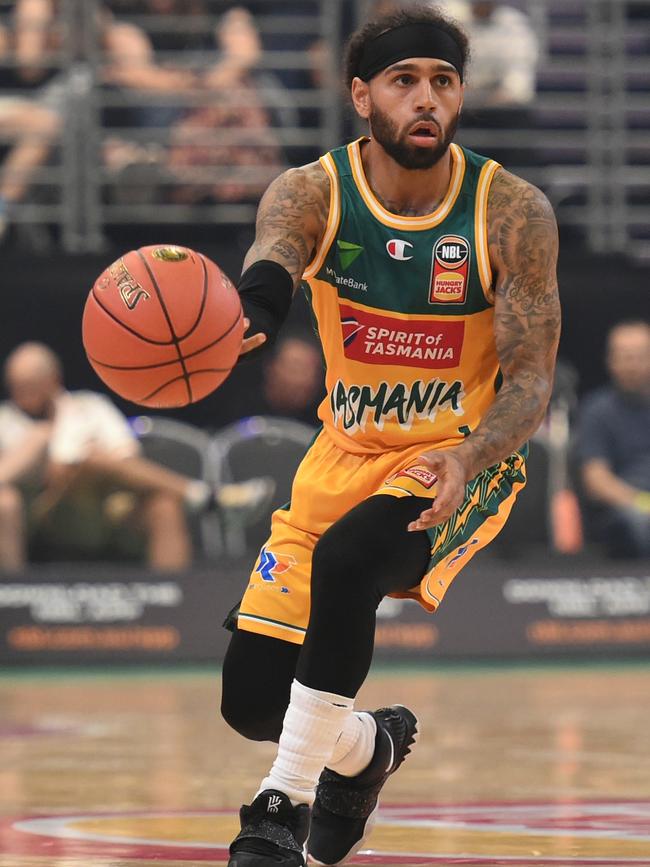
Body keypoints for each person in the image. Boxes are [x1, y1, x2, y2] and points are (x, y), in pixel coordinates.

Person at [221, 6, 560, 865]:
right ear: (360, 94)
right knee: (254, 702)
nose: (426, 99)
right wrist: (251, 312)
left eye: (443, 82)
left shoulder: (509, 211)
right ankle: (366, 749)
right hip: (343, 455)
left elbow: (528, 379)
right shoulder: (314, 188)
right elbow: (276, 255)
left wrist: (474, 453)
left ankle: (277, 809)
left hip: (457, 457)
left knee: (350, 561)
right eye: (405, 81)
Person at [0, 342, 273, 572]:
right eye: (18, 386)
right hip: (46, 516)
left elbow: (127, 457)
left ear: (53, 380)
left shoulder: (90, 406)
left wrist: (87, 466)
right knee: (90, 459)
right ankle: (206, 497)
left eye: (31, 386)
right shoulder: (5, 420)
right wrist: (40, 444)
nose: (23, 395)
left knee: (163, 504)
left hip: (108, 509)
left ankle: (176, 611)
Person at [578, 321, 650, 559]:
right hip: (624, 510)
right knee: (636, 523)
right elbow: (596, 480)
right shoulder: (597, 411)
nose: (633, 365)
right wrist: (641, 503)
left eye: (640, 357)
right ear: (611, 362)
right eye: (626, 357)